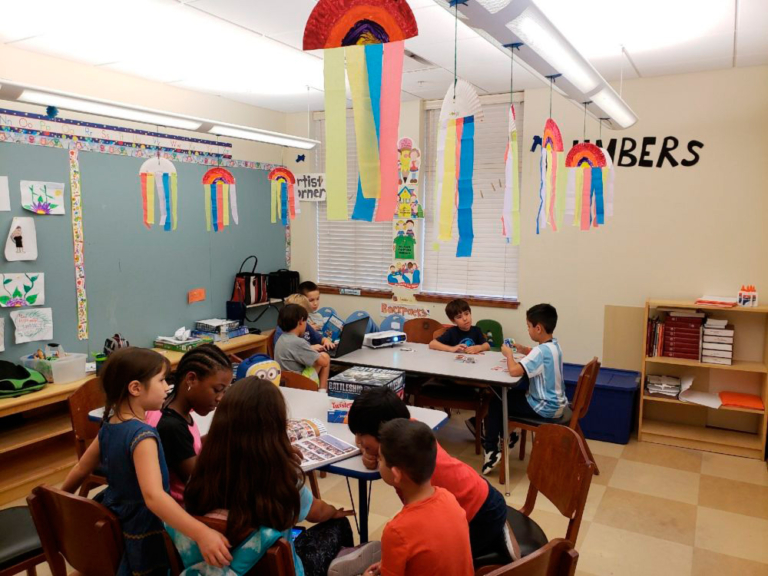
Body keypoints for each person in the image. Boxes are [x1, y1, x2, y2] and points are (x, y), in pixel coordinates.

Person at [178, 378, 379, 576]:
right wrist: (334, 512)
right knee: (338, 525)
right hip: (284, 568)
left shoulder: (200, 473)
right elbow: (316, 512)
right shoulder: (280, 477)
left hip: (222, 567)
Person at [61, 347, 232, 575]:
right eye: (161, 380)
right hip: (142, 528)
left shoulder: (110, 424)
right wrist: (202, 533)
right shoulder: (143, 437)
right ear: (135, 388)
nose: (167, 387)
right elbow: (154, 497)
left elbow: (82, 467)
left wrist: (62, 505)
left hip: (115, 516)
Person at [348, 387, 508, 560]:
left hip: (482, 515)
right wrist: (370, 451)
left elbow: (427, 528)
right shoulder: (410, 431)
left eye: (361, 435)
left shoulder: (409, 462)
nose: (357, 441)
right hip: (478, 496)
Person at [363, 419, 473, 576]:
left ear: (396, 474)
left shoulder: (397, 531)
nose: (377, 461)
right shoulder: (449, 498)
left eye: (380, 458)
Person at [482, 304, 566, 475]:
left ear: (538, 328)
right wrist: (522, 349)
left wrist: (509, 355)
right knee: (508, 394)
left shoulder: (540, 352)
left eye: (528, 326)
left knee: (497, 401)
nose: (528, 330)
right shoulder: (554, 346)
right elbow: (536, 353)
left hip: (544, 408)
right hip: (557, 403)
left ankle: (491, 450)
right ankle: (507, 435)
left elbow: (513, 371)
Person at [145, 344, 232, 505]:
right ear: (191, 379)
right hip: (184, 511)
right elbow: (201, 487)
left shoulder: (167, 407)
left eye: (224, 391)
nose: (220, 398)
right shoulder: (171, 427)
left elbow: (188, 445)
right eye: (217, 390)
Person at [275, 303, 331, 389]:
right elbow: (324, 362)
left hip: (285, 382)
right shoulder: (298, 342)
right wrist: (313, 351)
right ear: (301, 321)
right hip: (299, 383)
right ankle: (322, 392)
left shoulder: (281, 339)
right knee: (325, 357)